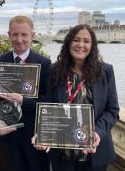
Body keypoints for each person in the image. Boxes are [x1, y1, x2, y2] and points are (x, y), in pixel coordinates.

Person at [33, 24, 119, 171]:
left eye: (86, 41)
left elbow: (112, 110)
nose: (80, 45)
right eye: (76, 40)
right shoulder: (54, 71)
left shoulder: (105, 71)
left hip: (93, 152)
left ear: (92, 46)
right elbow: (47, 107)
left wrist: (96, 132)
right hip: (62, 152)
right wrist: (42, 133)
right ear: (68, 43)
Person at [0, 15, 51, 171]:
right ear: (9, 35)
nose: (19, 39)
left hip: (34, 134)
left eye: (24, 34)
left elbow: (48, 100)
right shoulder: (0, 61)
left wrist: (23, 101)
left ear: (32, 35)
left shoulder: (44, 64)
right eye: (15, 34)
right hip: (7, 135)